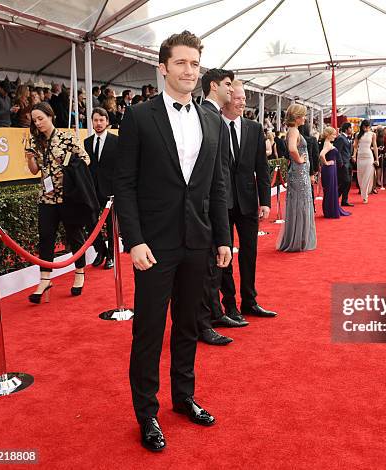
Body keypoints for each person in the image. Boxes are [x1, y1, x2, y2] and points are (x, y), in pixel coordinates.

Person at [114, 31, 231, 452]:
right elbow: (124, 184)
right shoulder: (140, 116)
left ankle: (183, 398)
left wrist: (222, 237)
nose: (188, 71)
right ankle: (146, 413)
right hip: (154, 245)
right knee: (148, 330)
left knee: (188, 326)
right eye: (181, 63)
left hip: (197, 239)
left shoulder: (212, 119)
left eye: (195, 64)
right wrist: (134, 240)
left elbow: (217, 183)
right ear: (163, 67)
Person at [24, 102, 91, 303]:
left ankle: (79, 273)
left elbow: (85, 160)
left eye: (40, 119)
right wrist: (29, 158)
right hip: (46, 197)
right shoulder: (35, 142)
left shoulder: (67, 137)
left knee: (74, 235)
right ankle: (45, 279)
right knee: (45, 237)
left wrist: (68, 165)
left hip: (68, 197)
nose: (38, 123)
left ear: (50, 116)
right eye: (34, 120)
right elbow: (35, 171)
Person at [221, 80, 276, 319]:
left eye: (244, 98)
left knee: (249, 252)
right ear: (226, 99)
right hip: (220, 202)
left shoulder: (254, 128)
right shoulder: (212, 125)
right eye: (238, 98)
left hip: (247, 201)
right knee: (223, 255)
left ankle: (250, 301)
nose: (243, 102)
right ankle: (229, 304)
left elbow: (261, 168)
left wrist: (265, 201)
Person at [197, 67, 242, 346]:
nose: (231, 89)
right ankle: (205, 322)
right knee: (208, 267)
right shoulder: (207, 117)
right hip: (208, 206)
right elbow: (217, 173)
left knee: (214, 264)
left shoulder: (213, 117)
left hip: (214, 203)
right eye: (227, 84)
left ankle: (214, 313)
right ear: (214, 87)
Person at [276, 104, 316, 252]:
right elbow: (292, 148)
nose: (305, 118)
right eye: (303, 115)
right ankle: (299, 240)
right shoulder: (293, 131)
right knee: (301, 203)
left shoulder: (294, 130)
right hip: (299, 173)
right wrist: (299, 160)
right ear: (297, 117)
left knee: (301, 203)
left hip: (300, 173)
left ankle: (299, 238)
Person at [83, 107, 118, 269]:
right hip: (92, 191)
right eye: (95, 120)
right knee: (90, 223)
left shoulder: (117, 141)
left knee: (111, 226)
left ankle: (111, 255)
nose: (98, 123)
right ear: (92, 122)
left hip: (111, 191)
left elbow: (121, 167)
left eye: (101, 120)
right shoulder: (87, 142)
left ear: (107, 122)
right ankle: (101, 251)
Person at [320, 127, 351, 219]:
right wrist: (326, 162)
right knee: (330, 190)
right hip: (329, 169)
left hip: (330, 169)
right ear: (328, 135)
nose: (335, 136)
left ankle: (329, 211)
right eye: (333, 134)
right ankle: (330, 211)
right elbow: (321, 155)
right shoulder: (328, 144)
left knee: (329, 190)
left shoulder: (327, 143)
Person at [352, 119, 379, 202]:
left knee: (367, 175)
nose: (366, 128)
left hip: (369, 156)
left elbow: (375, 146)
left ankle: (365, 195)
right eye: (364, 126)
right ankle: (363, 191)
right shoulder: (357, 135)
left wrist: (377, 158)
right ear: (362, 126)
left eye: (367, 127)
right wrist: (354, 155)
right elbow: (355, 146)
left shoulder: (373, 134)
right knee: (360, 176)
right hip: (360, 156)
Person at [333, 122, 354, 207]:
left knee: (348, 183)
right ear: (346, 129)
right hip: (343, 164)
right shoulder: (341, 138)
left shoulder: (348, 138)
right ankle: (336, 197)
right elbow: (337, 151)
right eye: (351, 128)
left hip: (348, 163)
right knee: (346, 181)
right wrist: (340, 163)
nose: (352, 130)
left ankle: (344, 200)